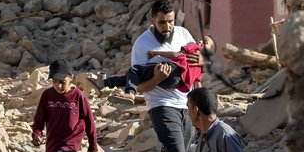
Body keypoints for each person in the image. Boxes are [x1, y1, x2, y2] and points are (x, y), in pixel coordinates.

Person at [132, 0, 203, 152]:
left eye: (170, 21)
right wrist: (157, 78)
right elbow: (138, 87)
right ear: (152, 20)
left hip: (187, 103)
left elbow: (198, 65)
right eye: (162, 22)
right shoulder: (142, 46)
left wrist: (202, 62)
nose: (167, 26)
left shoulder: (184, 34)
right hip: (161, 106)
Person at [88, 35, 216, 105]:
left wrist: (156, 53)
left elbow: (176, 55)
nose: (200, 41)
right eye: (201, 39)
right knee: (135, 78)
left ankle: (130, 94)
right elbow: (197, 84)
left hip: (172, 71)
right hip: (174, 84)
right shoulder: (200, 67)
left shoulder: (194, 49)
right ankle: (104, 83)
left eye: (204, 42)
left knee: (135, 70)